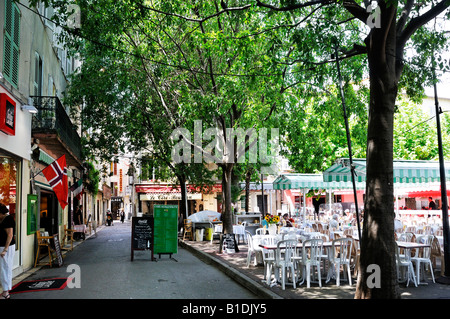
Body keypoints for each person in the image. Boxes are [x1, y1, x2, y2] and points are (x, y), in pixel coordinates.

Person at [0, 203, 15, 299]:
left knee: (5, 268)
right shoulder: (2, 219)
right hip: (2, 246)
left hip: (6, 247)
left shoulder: (8, 219)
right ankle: (5, 290)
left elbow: (10, 235)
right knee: (3, 268)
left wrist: (5, 249)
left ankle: (6, 292)